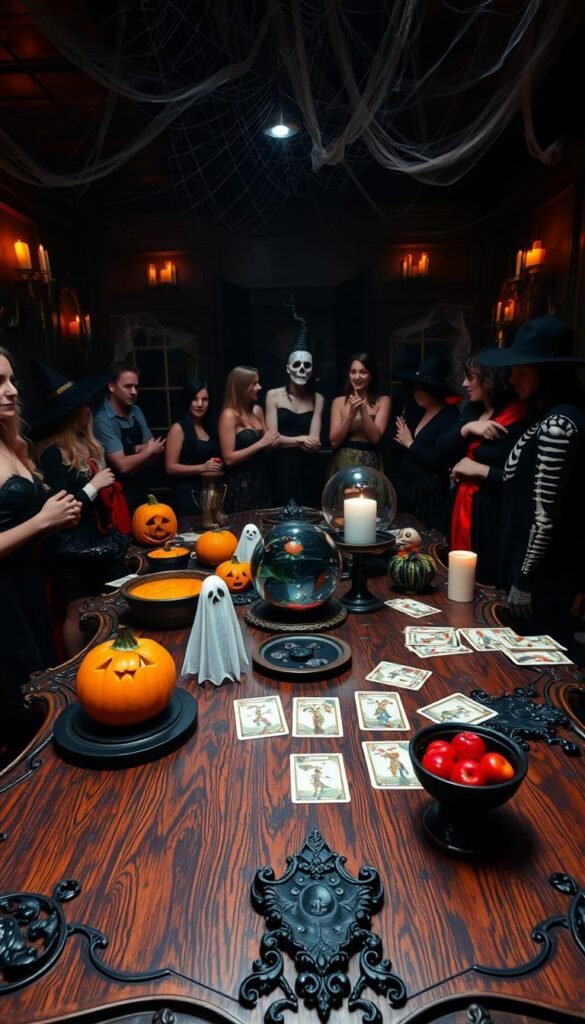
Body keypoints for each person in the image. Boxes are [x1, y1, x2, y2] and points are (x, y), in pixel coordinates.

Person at [478, 316, 585, 654]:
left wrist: (524, 580)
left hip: (543, 576)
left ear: (548, 373)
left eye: (522, 371)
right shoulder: (542, 417)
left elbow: (545, 514)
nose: (512, 379)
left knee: (542, 659)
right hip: (527, 566)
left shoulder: (559, 423)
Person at [0, 348, 81, 756]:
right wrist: (41, 521)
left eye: (11, 380)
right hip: (4, 601)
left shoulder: (9, 442)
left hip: (30, 586)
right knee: (17, 714)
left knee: (40, 700)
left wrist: (53, 514)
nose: (12, 391)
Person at [32, 360, 131, 657]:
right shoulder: (51, 453)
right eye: (84, 405)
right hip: (69, 545)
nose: (90, 409)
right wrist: (95, 485)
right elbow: (63, 507)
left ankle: (109, 656)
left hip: (98, 539)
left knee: (108, 602)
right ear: (72, 412)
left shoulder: (88, 445)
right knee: (77, 609)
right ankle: (75, 668)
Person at [442, 357, 527, 585]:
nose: (464, 383)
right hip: (463, 505)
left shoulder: (519, 417)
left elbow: (523, 481)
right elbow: (441, 451)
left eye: (470, 378)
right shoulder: (473, 409)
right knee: (458, 582)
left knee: (485, 584)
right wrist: (467, 428)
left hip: (492, 513)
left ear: (490, 380)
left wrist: (481, 470)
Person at [393, 355, 460, 530]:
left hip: (430, 495)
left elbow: (439, 461)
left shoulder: (449, 417)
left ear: (435, 390)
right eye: (415, 387)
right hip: (407, 492)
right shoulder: (417, 412)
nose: (417, 392)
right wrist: (402, 441)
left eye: (422, 388)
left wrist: (410, 443)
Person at [93, 360, 165, 512]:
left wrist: (145, 453)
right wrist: (147, 451)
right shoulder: (103, 420)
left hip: (143, 488)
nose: (134, 392)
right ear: (111, 386)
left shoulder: (136, 411)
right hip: (119, 495)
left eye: (136, 387)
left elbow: (156, 452)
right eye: (128, 386)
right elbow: (123, 467)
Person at [265, 342, 324, 507]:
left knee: (309, 511)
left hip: (308, 465)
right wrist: (301, 439)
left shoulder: (318, 398)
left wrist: (300, 441)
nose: (302, 370)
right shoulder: (273, 396)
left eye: (307, 366)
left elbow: (314, 442)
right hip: (281, 465)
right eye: (297, 365)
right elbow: (272, 439)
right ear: (288, 368)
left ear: (312, 370)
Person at [218, 366, 280, 513]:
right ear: (242, 387)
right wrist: (261, 443)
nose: (259, 387)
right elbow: (228, 458)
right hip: (241, 485)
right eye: (254, 384)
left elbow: (266, 446)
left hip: (261, 480)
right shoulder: (229, 415)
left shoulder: (257, 411)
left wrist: (272, 442)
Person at [165, 379, 223, 515]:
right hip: (187, 495)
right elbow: (170, 467)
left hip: (209, 493)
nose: (200, 404)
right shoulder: (178, 428)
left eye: (205, 400)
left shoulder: (209, 427)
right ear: (187, 400)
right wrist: (202, 467)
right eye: (195, 399)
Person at [328, 352, 391, 477]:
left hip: (370, 463)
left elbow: (375, 438)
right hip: (344, 463)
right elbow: (334, 442)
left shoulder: (383, 401)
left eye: (363, 372)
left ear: (371, 376)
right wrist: (350, 415)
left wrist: (362, 409)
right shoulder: (338, 402)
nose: (357, 377)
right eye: (353, 372)